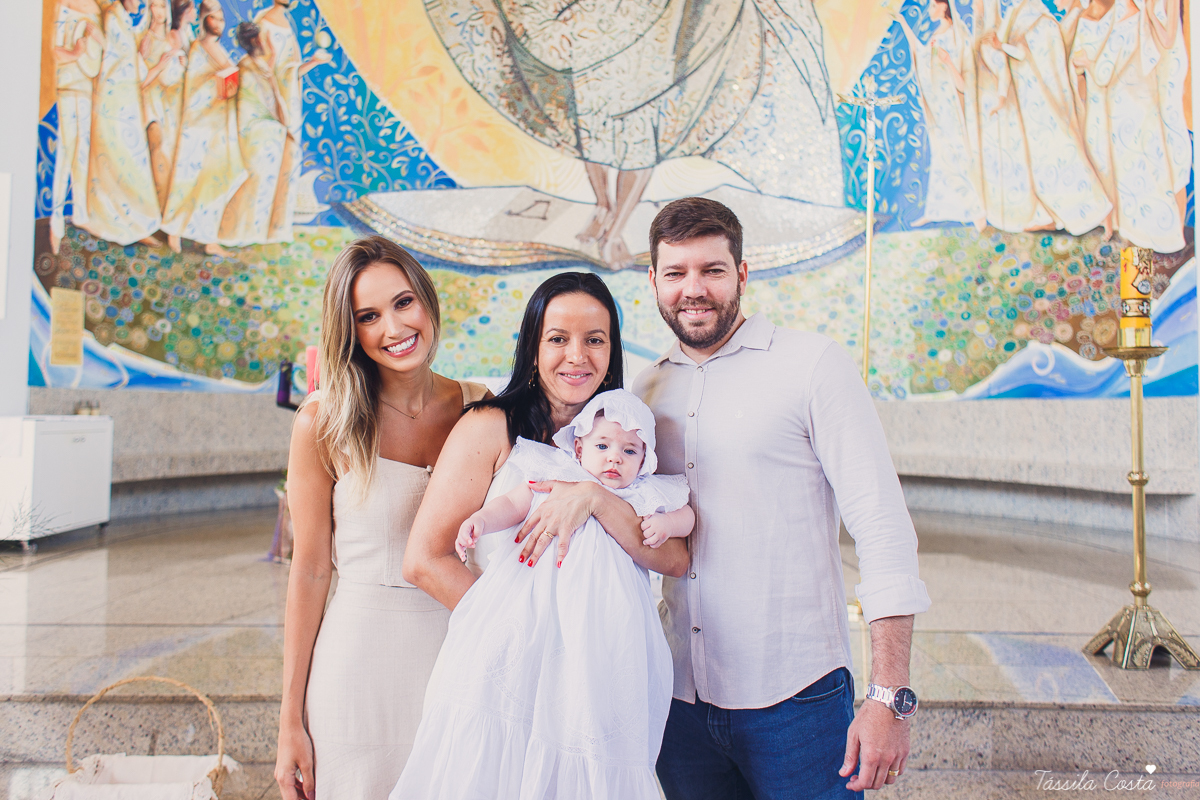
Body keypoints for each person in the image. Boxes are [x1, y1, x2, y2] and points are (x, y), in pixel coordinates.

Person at [632, 197, 931, 799]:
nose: (694, 289)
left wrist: (889, 696)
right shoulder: (645, 388)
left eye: (712, 270)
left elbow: (881, 524)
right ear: (654, 283)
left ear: (742, 274)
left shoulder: (812, 365)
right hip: (678, 700)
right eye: (676, 273)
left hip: (796, 699)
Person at [392, 389, 693, 799]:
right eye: (602, 446)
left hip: (603, 627)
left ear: (645, 461)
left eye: (629, 452)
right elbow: (514, 504)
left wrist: (670, 525)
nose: (614, 459)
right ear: (579, 445)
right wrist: (480, 520)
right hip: (532, 614)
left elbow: (685, 516)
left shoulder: (639, 495)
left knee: (588, 717)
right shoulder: (555, 473)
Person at [273, 236, 489, 800]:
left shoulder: (480, 405)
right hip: (358, 668)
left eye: (403, 302)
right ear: (351, 332)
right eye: (368, 316)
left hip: (459, 656)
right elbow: (310, 571)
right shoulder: (323, 422)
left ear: (426, 299)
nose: (393, 328)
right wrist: (288, 721)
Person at [425, 0, 843, 269]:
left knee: (637, 120)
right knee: (587, 108)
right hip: (599, 15)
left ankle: (613, 228)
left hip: (651, 17)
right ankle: (605, 210)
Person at [160, 0, 246, 256]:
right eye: (214, 18)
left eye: (221, 19)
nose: (219, 23)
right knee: (188, 179)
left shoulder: (216, 48)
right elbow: (194, 87)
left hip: (218, 128)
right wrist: (219, 84)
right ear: (204, 19)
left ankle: (208, 237)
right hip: (198, 127)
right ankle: (174, 230)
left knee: (218, 181)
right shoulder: (199, 48)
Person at [893, 2, 985, 229]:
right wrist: (903, 23)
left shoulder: (956, 35)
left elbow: (964, 76)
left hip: (952, 109)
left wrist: (947, 61)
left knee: (959, 158)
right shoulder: (938, 34)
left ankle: (977, 213)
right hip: (939, 109)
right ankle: (935, 210)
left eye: (933, 4)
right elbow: (921, 56)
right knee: (941, 156)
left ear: (944, 7)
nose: (930, 9)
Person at [82, 0, 163, 247]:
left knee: (132, 162)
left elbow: (131, 55)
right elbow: (115, 57)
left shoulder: (123, 19)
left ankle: (137, 224)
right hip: (113, 99)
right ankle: (115, 223)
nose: (139, 3)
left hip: (126, 100)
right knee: (116, 161)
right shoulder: (113, 16)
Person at [252, 0, 332, 244]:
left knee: (286, 162)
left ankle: (275, 226)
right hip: (270, 105)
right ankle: (257, 224)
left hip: (288, 104)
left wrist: (315, 62)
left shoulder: (287, 24)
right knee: (266, 161)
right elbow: (264, 69)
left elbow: (289, 72)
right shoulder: (262, 22)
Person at [218, 21, 291, 246]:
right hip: (256, 133)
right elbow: (262, 101)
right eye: (261, 39)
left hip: (264, 133)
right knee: (255, 180)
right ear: (254, 41)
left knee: (262, 182)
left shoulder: (253, 65)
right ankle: (234, 232)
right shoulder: (248, 68)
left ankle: (250, 233)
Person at [48, 0, 103, 255]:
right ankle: (56, 216)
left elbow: (101, 53)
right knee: (66, 149)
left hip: (86, 86)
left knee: (83, 151)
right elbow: (55, 51)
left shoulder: (95, 9)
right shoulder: (64, 5)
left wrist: (96, 42)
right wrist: (76, 53)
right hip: (68, 83)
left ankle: (80, 212)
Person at [138, 0, 187, 207]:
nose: (158, 11)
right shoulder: (146, 40)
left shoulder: (171, 39)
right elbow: (140, 81)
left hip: (170, 104)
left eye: (161, 5)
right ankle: (160, 207)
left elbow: (176, 77)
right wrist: (159, 66)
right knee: (158, 150)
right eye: (154, 6)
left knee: (170, 154)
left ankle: (170, 209)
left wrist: (183, 66)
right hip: (151, 102)